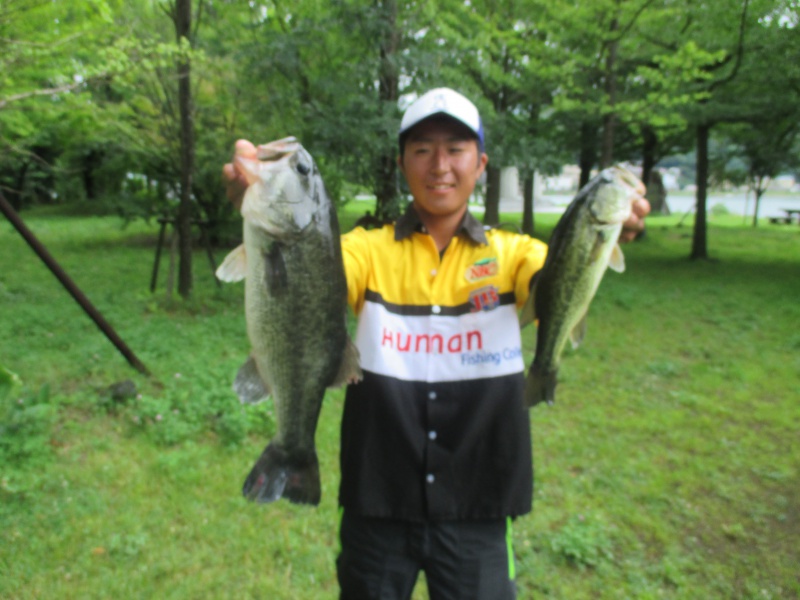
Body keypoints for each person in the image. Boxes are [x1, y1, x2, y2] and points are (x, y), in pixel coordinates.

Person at [223, 87, 650, 600]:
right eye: (423, 149)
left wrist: (598, 234)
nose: (440, 165)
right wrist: (259, 206)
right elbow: (308, 268)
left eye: (456, 149)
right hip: (376, 503)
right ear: (403, 163)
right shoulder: (365, 250)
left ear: (481, 163)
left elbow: (557, 279)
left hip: (479, 505)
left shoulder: (515, 254)